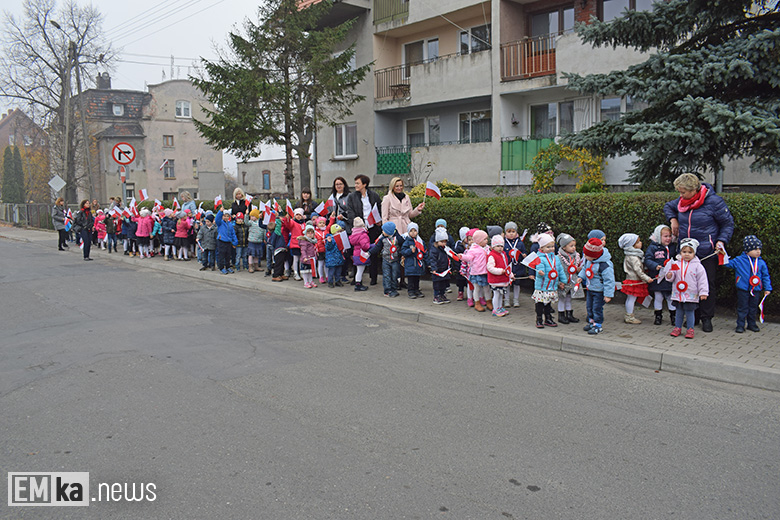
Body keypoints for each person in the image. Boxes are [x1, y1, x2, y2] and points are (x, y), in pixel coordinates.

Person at [664, 173, 734, 332]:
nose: (680, 195)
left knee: (706, 283)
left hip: (705, 251)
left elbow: (728, 224)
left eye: (683, 192)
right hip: (686, 252)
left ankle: (706, 317)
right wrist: (673, 219)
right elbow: (668, 206)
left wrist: (721, 241)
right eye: (679, 192)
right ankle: (692, 316)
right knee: (687, 283)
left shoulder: (714, 202)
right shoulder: (681, 201)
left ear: (694, 190)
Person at [724, 235, 772, 333]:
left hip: (756, 289)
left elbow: (765, 276)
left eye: (759, 249)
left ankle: (752, 324)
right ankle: (740, 325)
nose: (758, 251)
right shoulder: (739, 260)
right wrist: (721, 255)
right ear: (747, 250)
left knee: (753, 308)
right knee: (742, 308)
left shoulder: (761, 263)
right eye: (755, 249)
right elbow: (727, 264)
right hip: (743, 289)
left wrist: (767, 288)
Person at [662, 238, 709, 339]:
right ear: (680, 252)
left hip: (690, 294)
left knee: (689, 312)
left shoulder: (698, 266)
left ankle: (690, 329)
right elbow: (672, 276)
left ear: (694, 253)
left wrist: (703, 292)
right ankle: (677, 328)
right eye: (684, 252)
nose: (687, 254)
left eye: (690, 252)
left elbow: (702, 280)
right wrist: (669, 275)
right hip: (678, 294)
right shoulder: (676, 264)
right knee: (678, 311)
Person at [346, 175, 382, 285]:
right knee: (358, 252)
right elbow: (350, 212)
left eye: (358, 183)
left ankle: (373, 277)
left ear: (364, 184)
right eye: (355, 183)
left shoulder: (374, 195)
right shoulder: (352, 197)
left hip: (372, 228)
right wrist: (358, 224)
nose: (355, 185)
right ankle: (357, 278)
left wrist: (379, 220)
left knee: (373, 251)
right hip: (360, 230)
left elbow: (379, 208)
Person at [579, 236, 615, 335]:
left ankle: (598, 325)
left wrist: (608, 294)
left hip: (599, 291)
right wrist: (581, 277)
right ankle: (591, 322)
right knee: (589, 307)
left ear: (594, 255)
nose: (585, 256)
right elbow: (584, 269)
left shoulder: (604, 265)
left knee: (597, 308)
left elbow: (609, 280)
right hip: (590, 288)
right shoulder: (588, 260)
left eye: (587, 255)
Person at [618, 232, 655, 324]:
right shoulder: (633, 257)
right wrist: (647, 278)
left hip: (633, 279)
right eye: (638, 242)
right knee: (631, 299)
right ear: (632, 245)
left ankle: (629, 315)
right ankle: (629, 316)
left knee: (631, 298)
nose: (641, 243)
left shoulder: (634, 255)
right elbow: (638, 270)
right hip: (634, 280)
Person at [644, 224, 677, 326]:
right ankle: (658, 315)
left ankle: (673, 316)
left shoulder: (673, 247)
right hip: (657, 277)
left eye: (669, 236)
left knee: (670, 297)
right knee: (658, 297)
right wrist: (655, 266)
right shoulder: (653, 247)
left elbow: (676, 258)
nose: (668, 238)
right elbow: (648, 260)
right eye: (665, 236)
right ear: (659, 236)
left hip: (670, 277)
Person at [533, 234, 564, 327]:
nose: (551, 249)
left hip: (552, 285)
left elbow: (560, 270)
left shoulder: (556, 258)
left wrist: (563, 280)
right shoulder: (540, 258)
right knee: (540, 304)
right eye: (548, 247)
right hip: (542, 286)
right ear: (542, 248)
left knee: (548, 304)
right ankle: (539, 319)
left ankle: (548, 318)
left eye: (552, 246)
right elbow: (539, 268)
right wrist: (540, 272)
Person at [371, 221, 402, 297]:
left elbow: (403, 244)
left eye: (384, 230)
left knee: (394, 275)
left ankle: (394, 289)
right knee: (386, 275)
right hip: (385, 259)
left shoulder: (397, 238)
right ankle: (387, 290)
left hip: (395, 260)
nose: (382, 232)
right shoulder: (382, 239)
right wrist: (369, 253)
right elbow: (377, 247)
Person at [462, 229, 491, 312]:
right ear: (479, 240)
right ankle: (477, 303)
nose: (486, 241)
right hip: (476, 272)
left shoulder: (487, 248)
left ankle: (488, 301)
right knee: (477, 288)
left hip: (485, 272)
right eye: (485, 239)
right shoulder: (473, 249)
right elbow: (468, 257)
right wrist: (461, 256)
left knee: (487, 288)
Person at [556, 233, 580, 324]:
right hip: (563, 281)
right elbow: (557, 270)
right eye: (571, 246)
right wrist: (559, 282)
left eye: (574, 245)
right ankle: (561, 315)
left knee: (569, 297)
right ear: (564, 247)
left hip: (572, 280)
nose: (574, 248)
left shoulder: (576, 256)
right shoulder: (559, 257)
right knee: (562, 298)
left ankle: (569, 314)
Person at [487, 235, 512, 317]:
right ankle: (495, 309)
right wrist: (501, 271)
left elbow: (506, 266)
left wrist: (510, 275)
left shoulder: (503, 255)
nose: (500, 248)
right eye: (498, 246)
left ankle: (500, 307)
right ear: (493, 246)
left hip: (502, 279)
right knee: (496, 294)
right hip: (496, 279)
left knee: (501, 294)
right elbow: (490, 268)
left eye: (501, 246)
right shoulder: (492, 256)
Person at [504, 222, 526, 308]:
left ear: (516, 232)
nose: (511, 233)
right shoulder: (504, 242)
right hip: (508, 267)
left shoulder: (520, 243)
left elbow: (524, 252)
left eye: (513, 231)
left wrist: (524, 255)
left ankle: (516, 300)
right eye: (509, 232)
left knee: (517, 284)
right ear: (505, 233)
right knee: (507, 284)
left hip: (518, 267)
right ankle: (506, 300)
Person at [401, 222, 426, 299]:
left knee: (417, 278)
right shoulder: (407, 241)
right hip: (410, 264)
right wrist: (409, 251)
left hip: (418, 264)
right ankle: (411, 291)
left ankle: (417, 290)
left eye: (414, 231)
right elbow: (403, 251)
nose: (413, 233)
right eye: (411, 231)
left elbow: (424, 251)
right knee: (411, 279)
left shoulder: (420, 241)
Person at [428, 228, 452, 304]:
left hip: (444, 270)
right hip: (437, 270)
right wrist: (434, 268)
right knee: (437, 284)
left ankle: (442, 295)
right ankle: (436, 296)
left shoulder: (445, 249)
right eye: (442, 242)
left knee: (443, 285)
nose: (444, 244)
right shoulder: (434, 250)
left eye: (445, 242)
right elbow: (433, 260)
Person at [283, 208, 307, 280]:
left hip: (302, 244)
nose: (298, 216)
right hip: (295, 243)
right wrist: (287, 219)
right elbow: (288, 224)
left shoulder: (304, 224)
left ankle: (301, 272)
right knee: (296, 259)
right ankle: (296, 273)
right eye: (297, 215)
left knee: (301, 259)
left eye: (300, 215)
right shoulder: (293, 222)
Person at [349, 217, 371, 292]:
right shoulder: (362, 235)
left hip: (356, 254)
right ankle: (358, 284)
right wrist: (372, 245)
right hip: (361, 255)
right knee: (360, 270)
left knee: (359, 270)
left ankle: (358, 283)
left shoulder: (354, 234)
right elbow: (365, 246)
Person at [215, 209, 238, 274]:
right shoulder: (220, 223)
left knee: (228, 255)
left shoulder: (230, 224)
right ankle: (221, 267)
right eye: (224, 216)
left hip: (228, 242)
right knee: (221, 255)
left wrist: (235, 242)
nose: (226, 217)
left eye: (227, 216)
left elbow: (233, 234)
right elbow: (217, 219)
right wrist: (220, 211)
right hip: (221, 241)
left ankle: (228, 266)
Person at [325, 223, 345, 287]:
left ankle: (337, 281)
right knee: (331, 271)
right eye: (337, 231)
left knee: (338, 271)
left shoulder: (340, 238)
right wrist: (329, 242)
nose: (339, 233)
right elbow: (328, 247)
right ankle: (330, 282)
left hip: (338, 257)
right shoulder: (331, 239)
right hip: (332, 258)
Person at [246, 208, 265, 273]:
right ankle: (250, 266)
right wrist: (246, 215)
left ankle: (256, 266)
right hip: (252, 241)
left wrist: (264, 238)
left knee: (257, 255)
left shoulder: (261, 223)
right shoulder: (251, 222)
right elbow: (246, 222)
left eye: (253, 216)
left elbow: (263, 231)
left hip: (259, 241)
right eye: (250, 216)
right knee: (251, 254)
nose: (251, 217)